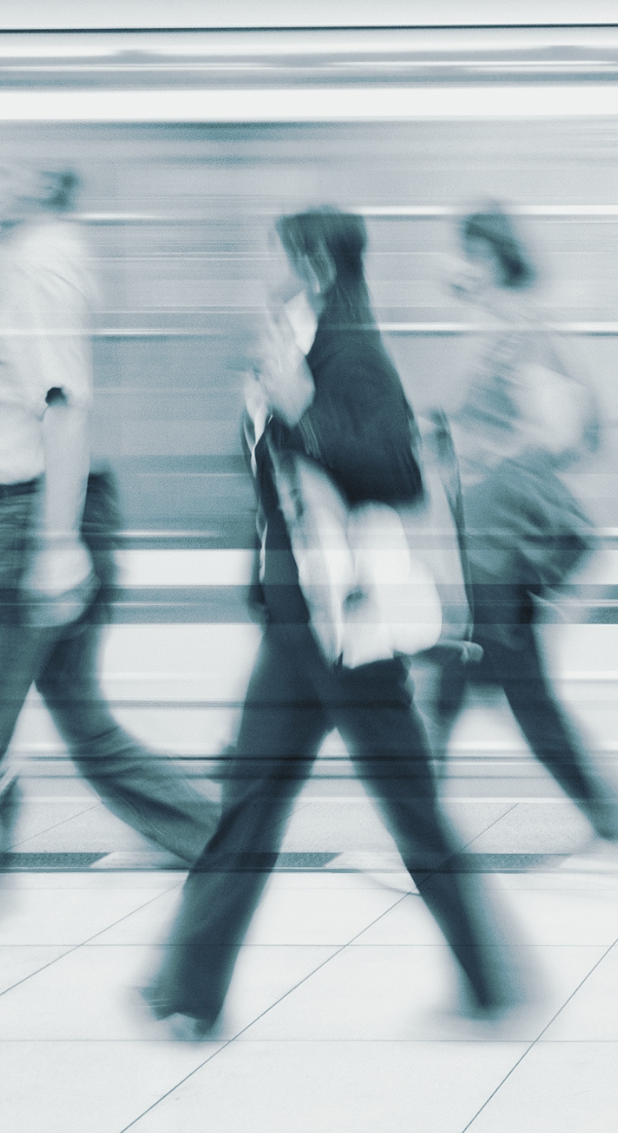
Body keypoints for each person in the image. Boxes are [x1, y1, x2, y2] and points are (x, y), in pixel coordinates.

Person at [146, 207, 514, 1037]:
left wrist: (303, 409)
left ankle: (491, 977)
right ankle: (187, 990)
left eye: (276, 253)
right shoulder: (291, 349)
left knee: (409, 810)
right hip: (297, 620)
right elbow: (276, 491)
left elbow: (394, 471)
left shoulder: (351, 354)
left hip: (350, 629)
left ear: (311, 261)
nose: (264, 268)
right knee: (250, 803)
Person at [0, 164, 218, 873]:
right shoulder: (37, 258)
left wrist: (54, 544)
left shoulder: (35, 266)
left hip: (32, 511)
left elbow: (64, 405)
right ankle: (217, 840)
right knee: (83, 718)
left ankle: (221, 841)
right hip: (45, 509)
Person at [421, 204, 618, 851]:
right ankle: (422, 829)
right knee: (459, 689)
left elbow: (556, 434)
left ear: (486, 259)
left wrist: (482, 451)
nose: (453, 266)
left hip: (501, 549)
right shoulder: (493, 330)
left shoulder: (520, 333)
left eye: (462, 253)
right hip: (484, 545)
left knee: (509, 697)